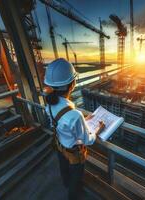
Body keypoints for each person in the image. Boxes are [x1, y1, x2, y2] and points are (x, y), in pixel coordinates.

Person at [44, 58, 104, 200]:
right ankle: (73, 195)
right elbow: (87, 140)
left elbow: (60, 123)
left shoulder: (50, 105)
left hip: (60, 147)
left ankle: (66, 184)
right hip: (74, 153)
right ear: (72, 84)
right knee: (76, 177)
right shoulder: (75, 115)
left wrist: (84, 120)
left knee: (64, 170)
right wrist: (98, 130)